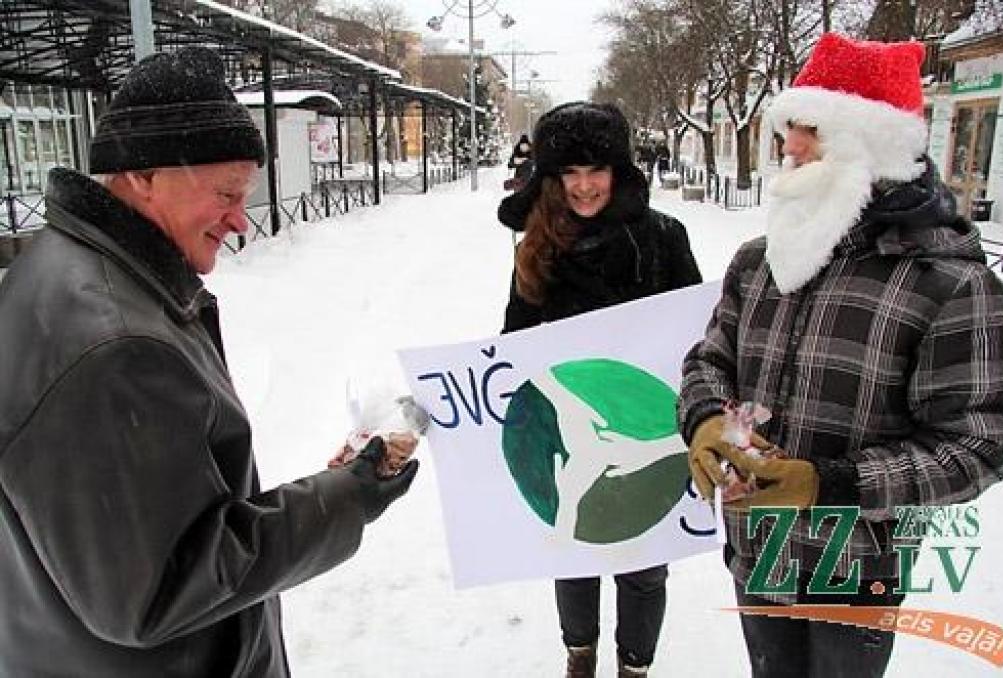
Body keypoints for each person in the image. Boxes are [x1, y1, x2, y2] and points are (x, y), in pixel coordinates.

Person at [0, 47, 418, 677]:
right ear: (142, 175)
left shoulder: (61, 273)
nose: (238, 220)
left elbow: (147, 528)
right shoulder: (116, 343)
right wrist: (348, 498)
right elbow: (157, 590)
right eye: (225, 193)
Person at [677, 32, 1003, 678]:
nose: (788, 146)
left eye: (808, 128)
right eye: (788, 128)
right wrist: (705, 421)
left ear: (871, 141)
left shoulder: (949, 282)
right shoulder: (761, 258)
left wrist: (828, 484)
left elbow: (976, 446)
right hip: (759, 555)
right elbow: (708, 359)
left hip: (856, 573)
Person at [497, 101, 703, 678]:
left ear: (620, 172)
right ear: (552, 180)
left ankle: (635, 666)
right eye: (570, 174)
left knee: (644, 557)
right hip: (571, 418)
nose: (584, 187)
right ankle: (579, 655)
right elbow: (516, 340)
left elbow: (694, 332)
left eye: (597, 171)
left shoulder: (664, 237)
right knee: (576, 545)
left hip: (647, 416)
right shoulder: (536, 247)